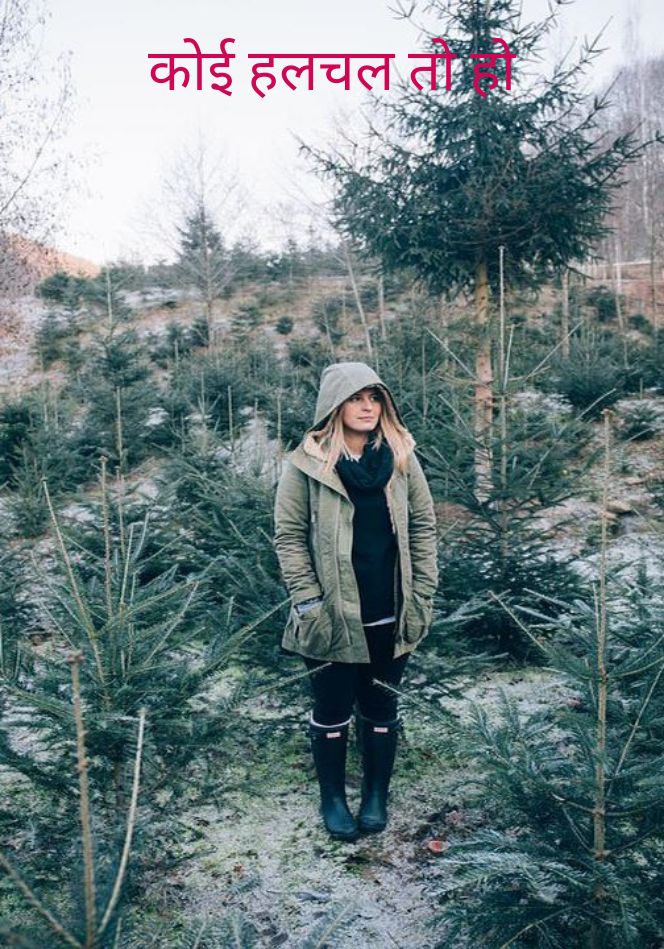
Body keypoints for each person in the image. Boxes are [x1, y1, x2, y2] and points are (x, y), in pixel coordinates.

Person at [274, 361, 438, 841]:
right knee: (332, 708)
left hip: (391, 609)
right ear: (334, 406)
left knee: (381, 706)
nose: (367, 408)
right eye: (356, 399)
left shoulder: (401, 458)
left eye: (374, 399)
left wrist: (422, 592)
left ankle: (375, 795)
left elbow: (424, 526)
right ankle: (332, 799)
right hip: (332, 614)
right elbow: (288, 537)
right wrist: (308, 602)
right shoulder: (305, 465)